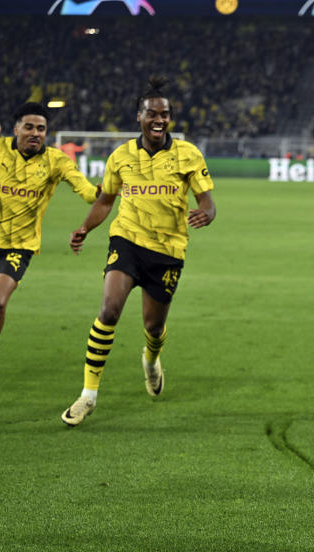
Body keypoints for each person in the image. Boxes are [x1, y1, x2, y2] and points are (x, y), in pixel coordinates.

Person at [60, 77, 215, 426]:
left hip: (168, 250)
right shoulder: (121, 156)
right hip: (127, 241)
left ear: (170, 118)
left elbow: (207, 199)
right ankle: (88, 395)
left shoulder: (188, 155)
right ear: (139, 117)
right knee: (109, 309)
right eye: (151, 114)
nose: (158, 120)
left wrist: (208, 212)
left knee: (154, 326)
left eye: (164, 114)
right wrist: (85, 227)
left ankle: (150, 359)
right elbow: (105, 201)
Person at [0, 103, 99, 399]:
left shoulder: (56, 161)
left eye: (41, 129)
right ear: (17, 129)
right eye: (30, 127)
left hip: (20, 246)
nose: (35, 133)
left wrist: (99, 192)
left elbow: (85, 190)